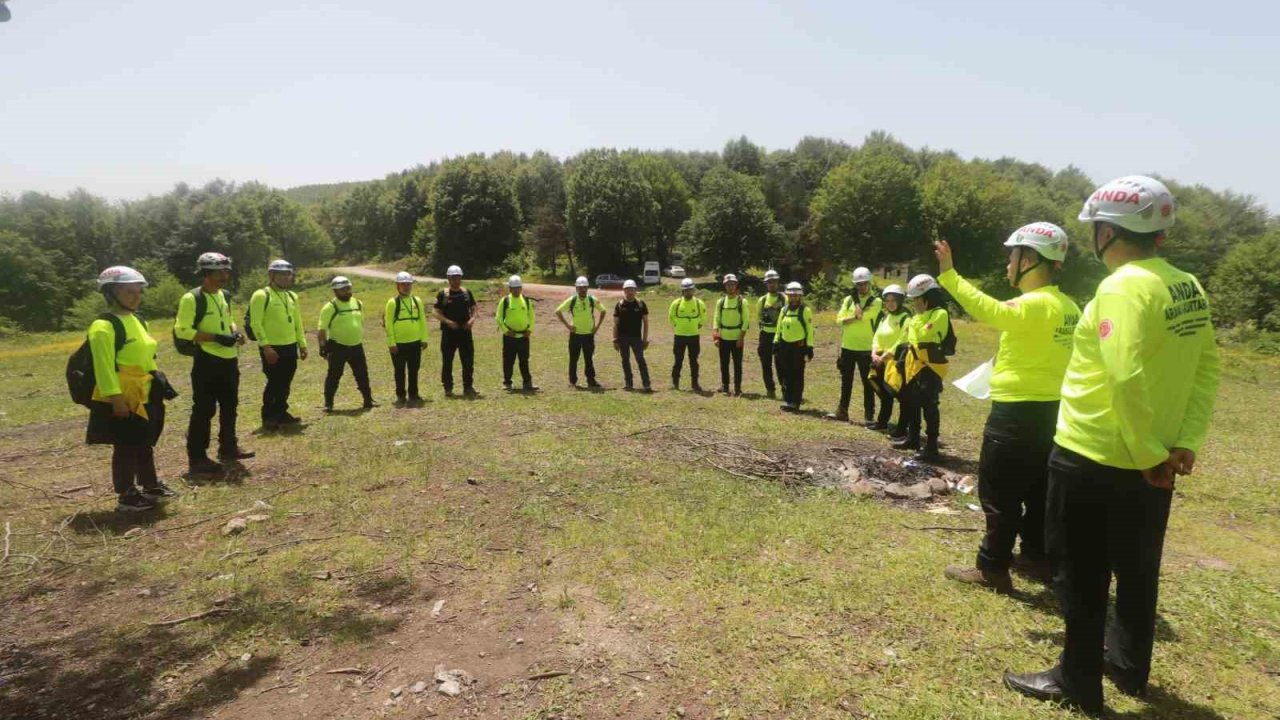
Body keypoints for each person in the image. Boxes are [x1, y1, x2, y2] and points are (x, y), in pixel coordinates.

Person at [1005, 176, 1220, 714]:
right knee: (1139, 568)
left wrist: (1148, 451)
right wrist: (1180, 443)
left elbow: (1124, 376)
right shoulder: (1187, 285)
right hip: (1157, 463)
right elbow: (1207, 368)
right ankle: (1127, 666)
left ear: (1106, 231)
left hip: (1093, 454)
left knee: (1080, 574)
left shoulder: (1121, 288)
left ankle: (1077, 682)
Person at [935, 223, 1081, 594]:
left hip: (1015, 415)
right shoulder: (1068, 306)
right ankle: (1035, 557)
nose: (1007, 265)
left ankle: (992, 567)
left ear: (1029, 260)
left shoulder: (1035, 304)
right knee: (1037, 491)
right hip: (1053, 413)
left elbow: (990, 310)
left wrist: (949, 275)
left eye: (1012, 257)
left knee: (999, 493)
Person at [86, 266, 176, 511]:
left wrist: (159, 381)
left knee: (144, 440)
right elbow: (103, 367)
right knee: (125, 444)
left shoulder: (137, 320)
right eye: (129, 292)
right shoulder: (103, 327)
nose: (136, 296)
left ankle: (150, 484)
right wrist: (116, 399)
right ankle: (126, 494)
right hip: (123, 395)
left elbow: (146, 356)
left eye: (138, 291)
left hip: (145, 391)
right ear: (111, 293)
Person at [174, 252, 253, 475]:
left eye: (227, 271)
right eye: (220, 272)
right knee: (204, 410)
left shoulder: (224, 295)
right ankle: (197, 458)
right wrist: (216, 337)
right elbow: (182, 330)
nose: (225, 275)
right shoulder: (192, 298)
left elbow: (228, 321)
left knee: (230, 406)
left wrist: (235, 333)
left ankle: (228, 447)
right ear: (206, 273)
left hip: (229, 360)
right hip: (206, 361)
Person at [892, 274, 951, 460]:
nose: (914, 303)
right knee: (912, 402)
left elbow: (924, 335)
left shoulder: (940, 313)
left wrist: (918, 322)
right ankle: (913, 438)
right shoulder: (920, 316)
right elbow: (912, 335)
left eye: (917, 299)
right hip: (913, 364)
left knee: (930, 405)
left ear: (927, 297)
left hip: (930, 367)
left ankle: (932, 446)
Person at [249, 259, 308, 429]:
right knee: (274, 382)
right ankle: (269, 416)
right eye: (281, 274)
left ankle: (281, 412)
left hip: (290, 346)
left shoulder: (291, 296)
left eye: (288, 274)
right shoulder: (261, 295)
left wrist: (302, 345)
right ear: (271, 275)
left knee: (285, 382)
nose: (286, 278)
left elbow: (298, 322)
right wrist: (266, 347)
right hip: (272, 347)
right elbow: (256, 323)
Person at [828, 267, 882, 424]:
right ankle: (842, 412)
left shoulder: (876, 302)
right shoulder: (848, 300)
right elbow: (839, 320)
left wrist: (851, 315)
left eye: (864, 283)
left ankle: (869, 417)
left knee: (868, 383)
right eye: (859, 284)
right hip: (848, 347)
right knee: (846, 382)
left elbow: (863, 316)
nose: (862, 287)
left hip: (866, 348)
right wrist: (853, 316)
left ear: (869, 283)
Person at [318, 276, 375, 411]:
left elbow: (360, 322)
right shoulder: (330, 307)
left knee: (362, 374)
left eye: (348, 288)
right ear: (335, 291)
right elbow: (321, 329)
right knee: (334, 375)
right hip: (337, 346)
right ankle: (328, 404)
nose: (347, 291)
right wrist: (322, 347)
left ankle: (368, 400)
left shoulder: (358, 303)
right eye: (343, 290)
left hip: (356, 345)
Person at [870, 284, 910, 434]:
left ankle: (902, 428)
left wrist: (885, 356)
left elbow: (902, 340)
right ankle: (882, 422)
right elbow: (876, 336)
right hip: (880, 361)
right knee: (884, 394)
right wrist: (874, 353)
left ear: (900, 300)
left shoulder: (906, 318)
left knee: (901, 395)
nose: (890, 303)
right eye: (887, 300)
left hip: (896, 362)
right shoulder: (885, 318)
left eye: (894, 300)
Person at [384, 271, 428, 406]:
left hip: (415, 342)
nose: (406, 287)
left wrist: (424, 338)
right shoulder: (392, 303)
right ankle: (401, 395)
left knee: (414, 369)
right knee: (399, 370)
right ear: (397, 286)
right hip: (399, 344)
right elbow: (388, 324)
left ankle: (414, 394)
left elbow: (422, 320)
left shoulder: (417, 300)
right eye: (403, 284)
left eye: (409, 284)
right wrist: (391, 342)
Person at [433, 265, 478, 397]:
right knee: (447, 361)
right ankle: (448, 388)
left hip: (465, 332)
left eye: (458, 278)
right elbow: (435, 311)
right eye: (453, 278)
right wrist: (447, 322)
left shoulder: (466, 293)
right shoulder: (443, 294)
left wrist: (472, 320)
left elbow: (474, 307)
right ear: (448, 278)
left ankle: (468, 387)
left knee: (468, 361)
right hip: (449, 333)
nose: (455, 280)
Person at [556, 276, 606, 388]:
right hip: (575, 335)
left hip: (588, 335)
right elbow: (558, 311)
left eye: (585, 287)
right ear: (576, 288)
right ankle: (572, 381)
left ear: (588, 287)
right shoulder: (572, 300)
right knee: (573, 358)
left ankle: (591, 380)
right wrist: (568, 326)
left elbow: (603, 311)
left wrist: (597, 327)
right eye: (580, 287)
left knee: (589, 359)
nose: (583, 289)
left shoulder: (592, 299)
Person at [774, 282, 814, 412]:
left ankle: (796, 402)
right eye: (790, 295)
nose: (793, 298)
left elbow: (809, 330)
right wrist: (776, 342)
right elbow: (779, 327)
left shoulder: (805, 310)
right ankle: (788, 400)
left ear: (800, 296)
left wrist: (810, 347)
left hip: (798, 346)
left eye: (795, 295)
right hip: (785, 346)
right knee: (786, 373)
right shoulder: (784, 310)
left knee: (797, 375)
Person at [497, 274, 538, 392]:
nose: (516, 290)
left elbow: (531, 316)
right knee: (508, 360)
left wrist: (530, 329)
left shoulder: (526, 300)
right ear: (510, 289)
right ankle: (507, 382)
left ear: (521, 288)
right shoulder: (505, 301)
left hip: (524, 336)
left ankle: (527, 382)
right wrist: (506, 331)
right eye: (514, 288)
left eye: (518, 288)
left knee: (524, 360)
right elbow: (498, 318)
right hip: (510, 336)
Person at [712, 273, 751, 395]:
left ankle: (737, 388)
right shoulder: (721, 302)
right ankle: (725, 386)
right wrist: (716, 337)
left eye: (732, 284)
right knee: (724, 363)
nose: (730, 287)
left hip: (736, 338)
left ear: (736, 286)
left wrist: (741, 338)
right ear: (725, 286)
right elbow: (716, 319)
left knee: (737, 364)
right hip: (723, 338)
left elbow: (746, 321)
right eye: (728, 285)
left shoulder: (742, 302)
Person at [613, 279, 652, 391]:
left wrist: (644, 340)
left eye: (632, 289)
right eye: (627, 290)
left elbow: (646, 322)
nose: (630, 292)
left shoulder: (641, 304)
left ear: (636, 291)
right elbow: (615, 324)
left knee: (641, 360)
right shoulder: (619, 305)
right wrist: (615, 340)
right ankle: (628, 384)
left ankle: (646, 384)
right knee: (625, 360)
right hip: (622, 338)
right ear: (624, 291)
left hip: (636, 338)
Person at [668, 278, 707, 392]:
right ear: (682, 291)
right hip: (679, 336)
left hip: (694, 336)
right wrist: (678, 325)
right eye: (686, 290)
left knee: (694, 361)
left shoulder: (699, 303)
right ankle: (675, 383)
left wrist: (697, 325)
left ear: (693, 290)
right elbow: (671, 316)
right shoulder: (676, 303)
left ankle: (695, 384)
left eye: (690, 290)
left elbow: (703, 318)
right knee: (678, 360)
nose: (688, 292)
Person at [755, 269, 787, 399]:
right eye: (769, 282)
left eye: (774, 282)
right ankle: (770, 389)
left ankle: (785, 390)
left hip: (780, 336)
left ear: (777, 282)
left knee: (782, 365)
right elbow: (758, 317)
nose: (771, 284)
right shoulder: (762, 300)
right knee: (766, 364)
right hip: (765, 336)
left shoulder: (784, 299)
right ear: (766, 284)